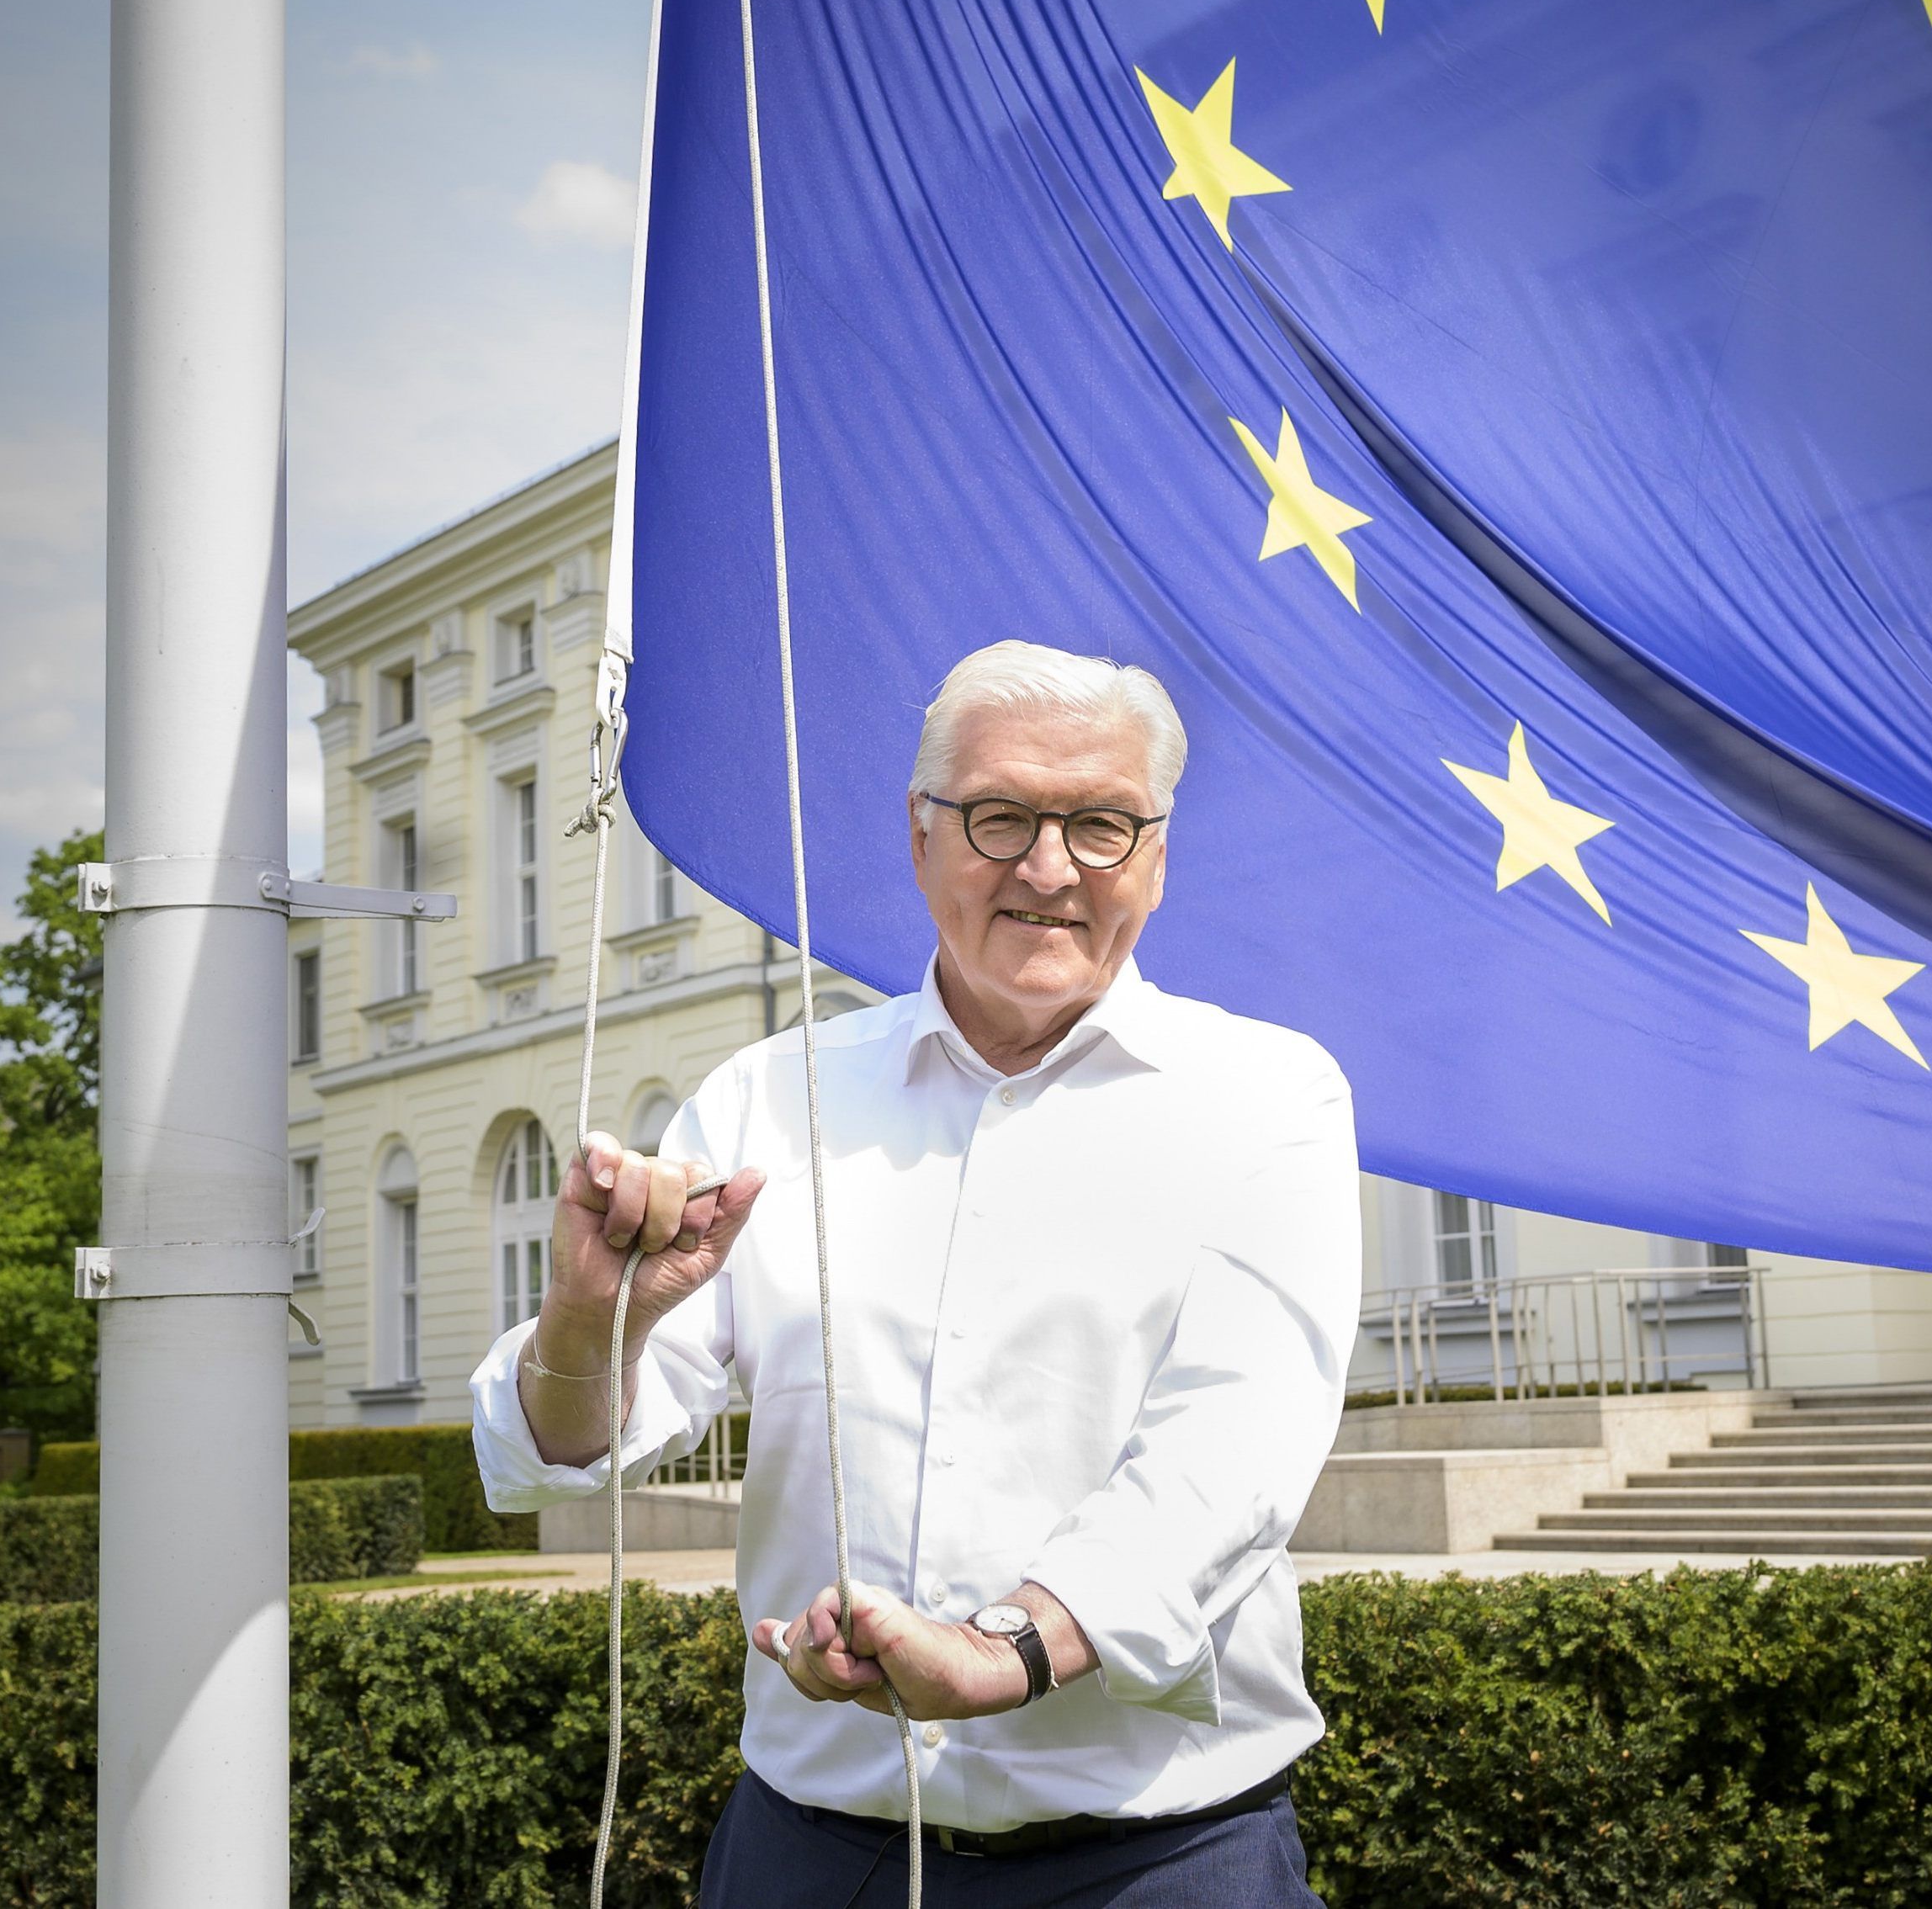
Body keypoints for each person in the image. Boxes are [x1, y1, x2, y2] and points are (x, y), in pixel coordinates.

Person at [471, 639, 1361, 1905]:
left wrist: (1000, 1650)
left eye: (1101, 824)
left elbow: (1230, 1452)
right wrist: (585, 1318)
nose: (1049, 868)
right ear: (922, 833)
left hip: (1160, 1863)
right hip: (812, 1851)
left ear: (1155, 857)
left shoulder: (1267, 1096)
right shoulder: (772, 1095)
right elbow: (555, 1450)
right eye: (1000, 816)